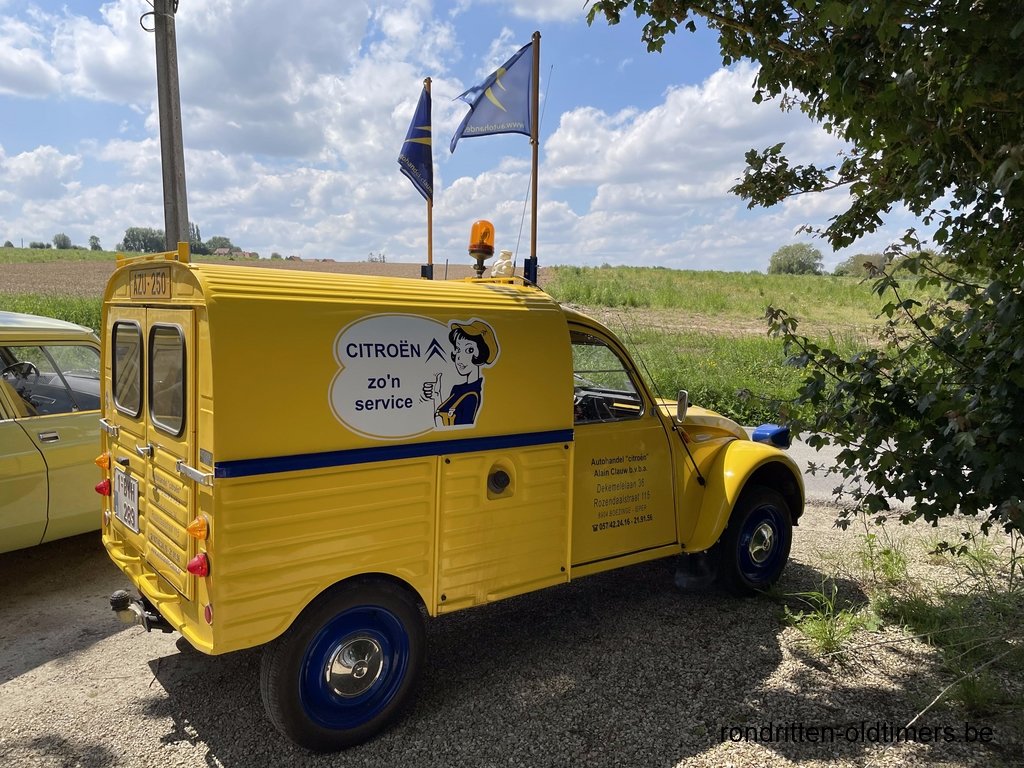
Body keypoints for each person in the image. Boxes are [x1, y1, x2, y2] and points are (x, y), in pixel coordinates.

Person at [422, 320, 498, 427]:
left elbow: (453, 430)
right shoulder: (457, 389)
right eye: (458, 349)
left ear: (482, 354)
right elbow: (444, 426)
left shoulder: (472, 397)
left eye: (469, 350)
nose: (459, 357)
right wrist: (436, 395)